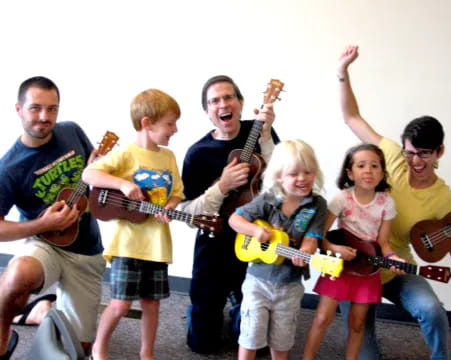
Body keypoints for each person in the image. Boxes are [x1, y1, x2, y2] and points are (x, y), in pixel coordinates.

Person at [336, 45, 451, 360]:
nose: (415, 161)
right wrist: (343, 73)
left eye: (424, 154)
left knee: (432, 311)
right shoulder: (390, 155)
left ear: (439, 152)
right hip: (357, 269)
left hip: (397, 269)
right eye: (410, 152)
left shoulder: (444, 197)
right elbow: (351, 117)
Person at [0, 76, 106, 359]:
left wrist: (102, 171)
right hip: (45, 244)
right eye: (35, 108)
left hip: (86, 249)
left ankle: (39, 311)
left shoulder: (71, 132)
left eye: (52, 109)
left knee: (77, 349)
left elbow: (91, 178)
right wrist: (42, 225)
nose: (44, 117)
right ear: (18, 109)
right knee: (16, 276)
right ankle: (1, 334)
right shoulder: (9, 167)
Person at [179, 75, 279, 354]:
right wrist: (222, 186)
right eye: (214, 101)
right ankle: (201, 311)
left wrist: (268, 134)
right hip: (214, 243)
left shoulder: (259, 132)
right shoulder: (197, 154)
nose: (223, 104)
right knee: (202, 344)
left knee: (253, 346)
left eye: (228, 97)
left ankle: (239, 307)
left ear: (241, 102)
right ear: (207, 111)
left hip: (256, 237)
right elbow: (188, 213)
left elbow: (280, 182)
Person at [82, 88, 184, 360]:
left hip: (157, 244)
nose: (175, 129)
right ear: (147, 123)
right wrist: (123, 184)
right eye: (170, 123)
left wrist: (170, 207)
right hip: (127, 244)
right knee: (121, 304)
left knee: (152, 304)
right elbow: (89, 174)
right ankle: (99, 346)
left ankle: (146, 354)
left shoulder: (169, 157)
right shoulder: (127, 154)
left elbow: (177, 193)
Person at [303, 143, 405, 360]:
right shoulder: (342, 198)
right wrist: (334, 249)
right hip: (339, 267)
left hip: (367, 270)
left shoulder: (387, 202)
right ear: (350, 172)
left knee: (357, 324)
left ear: (382, 172)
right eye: (361, 165)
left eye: (374, 166)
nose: (368, 170)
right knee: (322, 318)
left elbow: (384, 243)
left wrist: (392, 257)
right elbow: (320, 235)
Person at [229, 139, 326, 360]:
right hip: (258, 281)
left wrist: (306, 253)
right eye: (294, 174)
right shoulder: (268, 200)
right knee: (250, 335)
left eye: (308, 172)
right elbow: (235, 220)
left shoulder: (317, 205)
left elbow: (312, 239)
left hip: (289, 284)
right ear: (279, 176)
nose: (302, 178)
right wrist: (255, 231)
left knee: (282, 338)